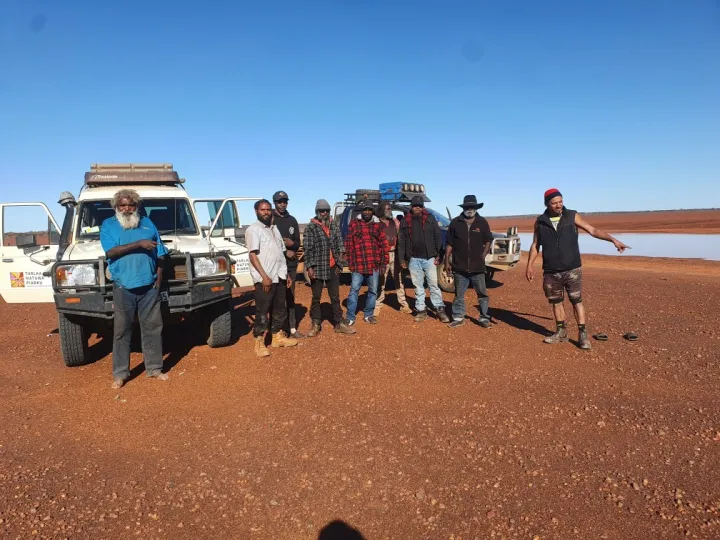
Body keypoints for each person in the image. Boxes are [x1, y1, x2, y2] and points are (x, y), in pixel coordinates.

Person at [526, 188, 630, 350]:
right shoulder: (540, 221)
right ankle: (561, 333)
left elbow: (592, 230)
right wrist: (530, 265)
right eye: (554, 203)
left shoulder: (571, 216)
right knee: (556, 302)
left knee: (576, 301)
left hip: (572, 269)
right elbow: (535, 245)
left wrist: (613, 240)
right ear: (547, 204)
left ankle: (583, 335)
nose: (558, 205)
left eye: (560, 202)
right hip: (551, 271)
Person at [100, 188, 169, 389]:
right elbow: (111, 252)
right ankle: (120, 374)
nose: (127, 208)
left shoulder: (147, 223)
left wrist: (159, 278)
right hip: (124, 286)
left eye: (131, 204)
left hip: (149, 286)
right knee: (122, 331)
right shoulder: (108, 226)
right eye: (122, 205)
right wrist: (138, 243)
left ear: (137, 206)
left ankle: (154, 369)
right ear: (116, 207)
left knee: (153, 328)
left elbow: (161, 253)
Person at [246, 199, 298, 357]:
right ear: (256, 211)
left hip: (279, 276)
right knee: (262, 311)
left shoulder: (274, 229)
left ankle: (276, 337)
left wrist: (286, 274)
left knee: (279, 309)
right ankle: (259, 342)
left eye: (268, 209)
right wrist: (264, 277)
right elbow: (252, 255)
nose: (266, 212)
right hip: (265, 278)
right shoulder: (253, 230)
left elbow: (281, 254)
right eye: (263, 210)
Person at [302, 199, 356, 336]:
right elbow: (308, 249)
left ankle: (339, 323)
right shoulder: (311, 227)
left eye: (326, 210)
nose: (324, 213)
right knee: (316, 297)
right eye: (322, 210)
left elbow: (339, 242)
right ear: (317, 212)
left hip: (333, 266)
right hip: (318, 266)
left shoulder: (333, 225)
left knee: (335, 297)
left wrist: (340, 260)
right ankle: (316, 323)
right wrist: (309, 267)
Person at [398, 195, 450, 323]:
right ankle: (421, 310)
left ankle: (439, 309)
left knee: (433, 284)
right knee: (418, 286)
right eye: (415, 206)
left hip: (429, 259)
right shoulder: (406, 221)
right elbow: (401, 241)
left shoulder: (430, 219)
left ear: (423, 207)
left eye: (419, 206)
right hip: (413, 259)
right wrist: (402, 259)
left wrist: (439, 254)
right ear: (411, 206)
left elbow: (438, 237)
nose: (417, 208)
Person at [444, 195, 493, 328]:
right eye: (467, 207)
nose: (469, 209)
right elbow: (449, 244)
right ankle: (458, 317)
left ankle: (484, 317)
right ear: (463, 208)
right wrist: (447, 261)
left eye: (472, 207)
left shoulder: (482, 222)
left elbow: (489, 239)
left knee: (482, 294)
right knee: (459, 294)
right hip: (459, 266)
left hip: (478, 267)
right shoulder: (455, 223)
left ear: (476, 208)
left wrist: (483, 254)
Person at [344, 199, 389, 325]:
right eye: (365, 210)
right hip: (358, 264)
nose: (367, 212)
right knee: (354, 290)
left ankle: (368, 315)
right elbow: (349, 244)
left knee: (373, 290)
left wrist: (383, 263)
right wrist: (350, 262)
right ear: (362, 211)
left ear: (372, 211)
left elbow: (383, 245)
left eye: (369, 210)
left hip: (374, 264)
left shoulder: (378, 225)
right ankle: (350, 316)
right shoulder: (354, 224)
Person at [271, 190, 305, 339]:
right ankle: (276, 330)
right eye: (280, 201)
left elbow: (297, 243)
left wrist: (292, 244)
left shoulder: (292, 220)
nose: (283, 204)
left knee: (290, 297)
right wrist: (285, 252)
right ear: (275, 203)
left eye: (285, 201)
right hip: (274, 266)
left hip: (290, 266)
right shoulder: (270, 220)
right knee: (275, 298)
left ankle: (292, 328)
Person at [374, 201, 412, 316]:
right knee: (381, 280)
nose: (390, 211)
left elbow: (401, 238)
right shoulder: (376, 224)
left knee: (399, 279)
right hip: (382, 255)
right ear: (381, 210)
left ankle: (404, 304)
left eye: (390, 209)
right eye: (388, 209)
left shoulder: (395, 222)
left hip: (395, 254)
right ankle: (377, 305)